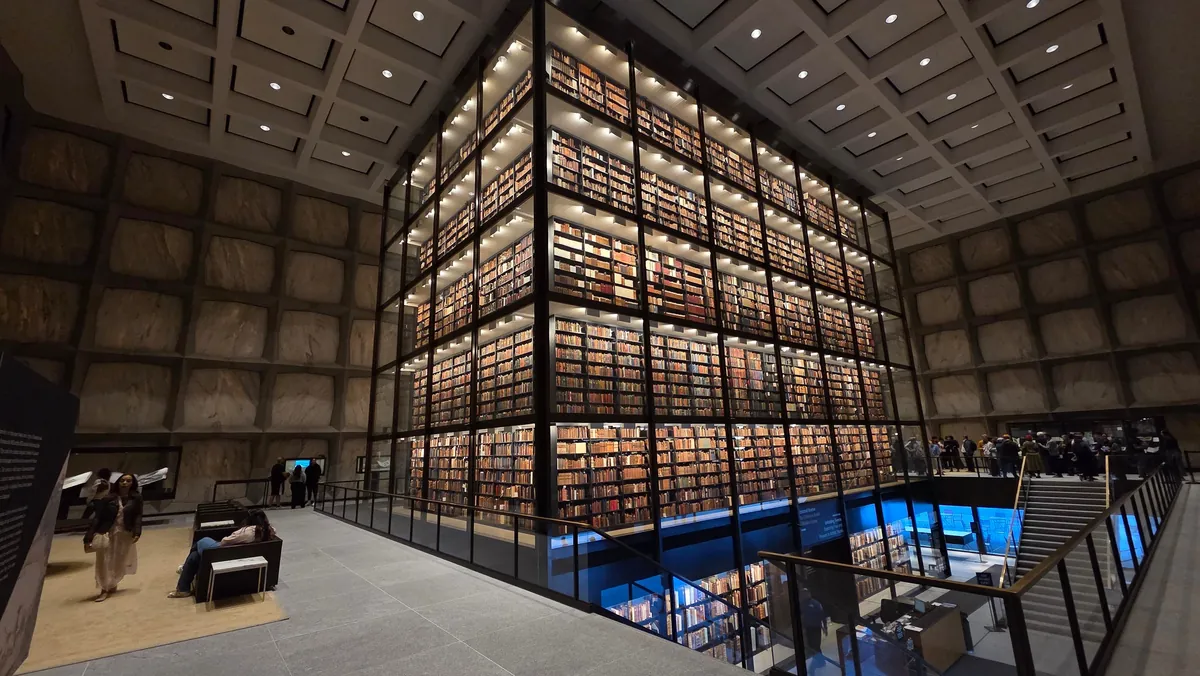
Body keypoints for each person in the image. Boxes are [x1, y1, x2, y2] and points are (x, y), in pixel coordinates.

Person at [168, 509, 276, 598]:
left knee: (200, 541)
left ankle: (183, 580)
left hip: (221, 553)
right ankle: (183, 584)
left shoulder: (248, 531)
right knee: (194, 557)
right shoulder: (267, 531)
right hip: (237, 554)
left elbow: (225, 542)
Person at [84, 473, 142, 602]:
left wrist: (137, 532)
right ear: (118, 482)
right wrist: (88, 537)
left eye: (128, 481)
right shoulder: (108, 498)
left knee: (118, 560)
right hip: (107, 532)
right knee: (104, 560)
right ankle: (104, 588)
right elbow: (98, 517)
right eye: (123, 480)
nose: (125, 483)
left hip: (124, 533)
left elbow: (138, 516)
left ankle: (112, 582)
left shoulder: (136, 498)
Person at [799, 593, 830, 668]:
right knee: (811, 645)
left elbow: (822, 615)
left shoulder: (815, 603)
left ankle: (819, 662)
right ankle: (820, 661)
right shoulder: (803, 604)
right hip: (808, 628)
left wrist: (825, 627)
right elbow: (801, 615)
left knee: (816, 645)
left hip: (816, 627)